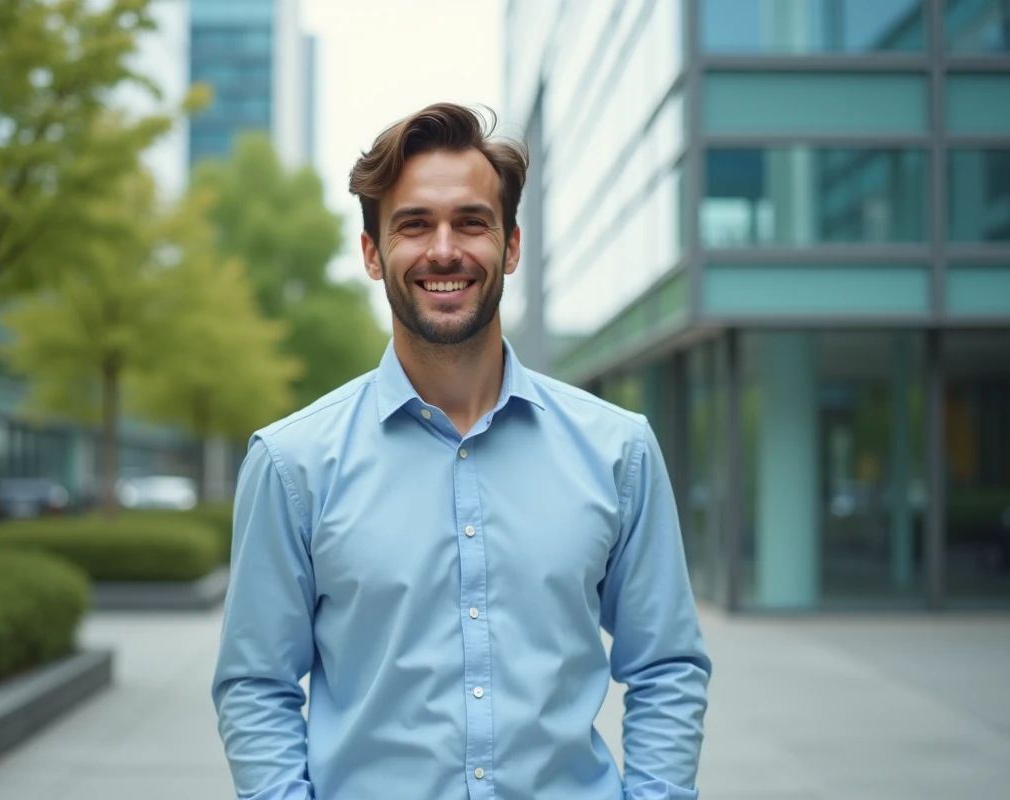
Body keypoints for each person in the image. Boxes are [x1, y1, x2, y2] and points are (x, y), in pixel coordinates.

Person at [212, 102, 711, 800]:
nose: (443, 250)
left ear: (509, 246)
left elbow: (666, 667)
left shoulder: (619, 451)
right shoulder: (292, 464)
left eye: (471, 222)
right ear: (371, 252)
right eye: (413, 224)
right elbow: (256, 684)